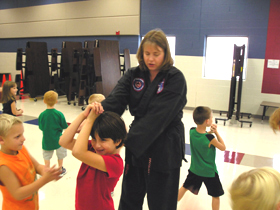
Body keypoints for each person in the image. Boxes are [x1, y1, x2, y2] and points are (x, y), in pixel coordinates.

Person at [101, 28, 187, 210]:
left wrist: (124, 140)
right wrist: (93, 120)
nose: (151, 59)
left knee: (162, 202)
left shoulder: (175, 78)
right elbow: (116, 100)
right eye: (147, 53)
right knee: (129, 199)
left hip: (165, 145)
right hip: (137, 146)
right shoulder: (134, 74)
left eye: (156, 54)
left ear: (165, 54)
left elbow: (159, 117)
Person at [59, 103, 127, 210]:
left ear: (117, 141)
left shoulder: (115, 163)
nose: (97, 144)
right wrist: (83, 115)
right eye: (94, 138)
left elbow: (77, 152)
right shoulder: (93, 148)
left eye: (103, 140)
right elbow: (64, 141)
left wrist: (90, 121)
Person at [0, 114, 61, 210]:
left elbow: (36, 166)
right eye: (17, 136)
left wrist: (45, 171)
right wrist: (44, 180)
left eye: (22, 134)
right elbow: (17, 194)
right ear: (1, 139)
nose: (23, 138)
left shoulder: (21, 149)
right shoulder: (3, 166)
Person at [178, 106, 226, 210]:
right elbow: (223, 147)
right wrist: (216, 132)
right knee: (216, 195)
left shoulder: (192, 132)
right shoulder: (210, 138)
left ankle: (169, 205)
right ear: (207, 121)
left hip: (195, 170)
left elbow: (201, 136)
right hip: (209, 172)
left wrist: (209, 133)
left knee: (184, 187)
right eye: (211, 118)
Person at [38, 90, 68, 175]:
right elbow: (64, 126)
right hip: (59, 139)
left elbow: (41, 127)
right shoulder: (59, 114)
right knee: (60, 155)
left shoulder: (42, 115)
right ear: (56, 101)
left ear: (44, 101)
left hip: (47, 140)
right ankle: (60, 168)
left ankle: (47, 170)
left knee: (47, 156)